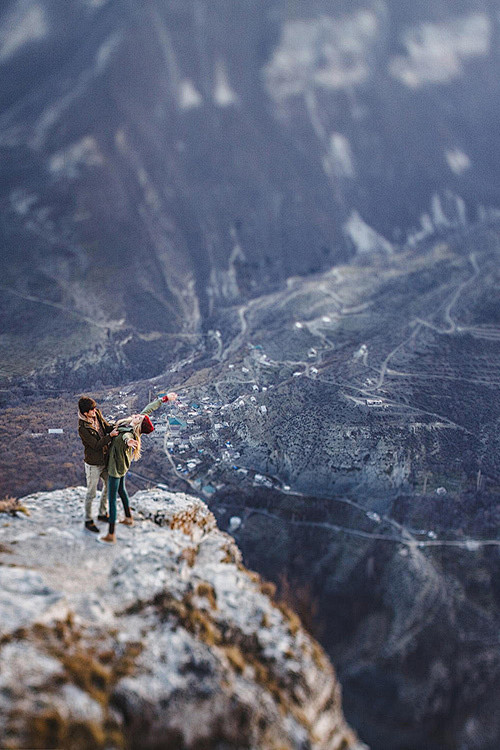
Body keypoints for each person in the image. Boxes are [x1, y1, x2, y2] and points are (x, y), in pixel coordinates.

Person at [99, 392, 178, 544]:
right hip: (122, 465)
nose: (136, 415)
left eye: (138, 418)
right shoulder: (132, 424)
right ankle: (128, 518)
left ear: (138, 424)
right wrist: (164, 399)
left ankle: (111, 534)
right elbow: (148, 409)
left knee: (112, 499)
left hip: (116, 467)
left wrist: (129, 442)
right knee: (122, 491)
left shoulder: (129, 433)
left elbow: (125, 437)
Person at [78, 396, 118, 533]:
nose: (95, 410)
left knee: (109, 485)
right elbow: (95, 445)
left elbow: (106, 427)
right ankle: (88, 520)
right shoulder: (82, 428)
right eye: (92, 409)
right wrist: (110, 436)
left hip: (104, 460)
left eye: (95, 408)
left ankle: (102, 513)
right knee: (91, 492)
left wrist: (116, 427)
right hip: (93, 464)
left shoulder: (97, 414)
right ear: (85, 413)